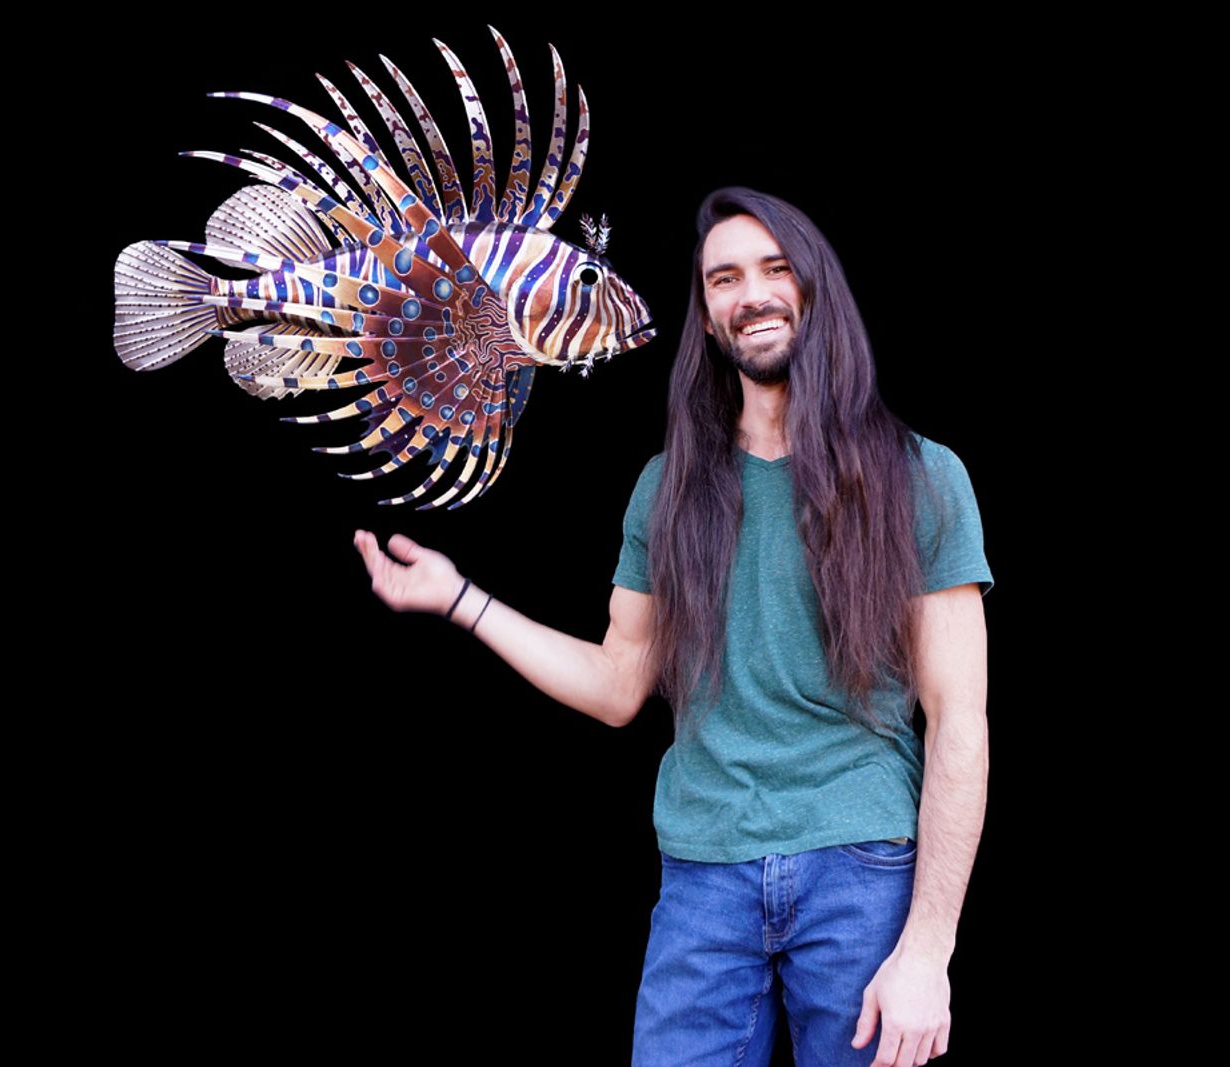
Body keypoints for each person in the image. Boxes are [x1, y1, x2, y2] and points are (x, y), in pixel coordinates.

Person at [352, 186, 991, 1067]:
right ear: (707, 312)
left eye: (775, 269)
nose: (751, 294)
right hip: (704, 875)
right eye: (724, 279)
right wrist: (460, 598)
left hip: (861, 867)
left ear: (815, 286)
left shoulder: (922, 477)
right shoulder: (669, 490)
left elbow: (961, 723)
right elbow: (619, 686)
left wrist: (927, 951)